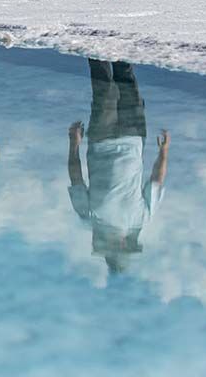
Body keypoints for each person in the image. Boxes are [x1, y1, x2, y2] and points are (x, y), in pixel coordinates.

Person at [67, 59, 169, 275]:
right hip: (134, 136)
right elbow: (156, 182)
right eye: (123, 249)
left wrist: (74, 144)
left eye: (115, 250)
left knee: (104, 86)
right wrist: (164, 152)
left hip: (101, 138)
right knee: (127, 80)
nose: (120, 246)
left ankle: (93, 36)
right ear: (127, 245)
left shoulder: (90, 218)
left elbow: (76, 179)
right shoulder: (142, 218)